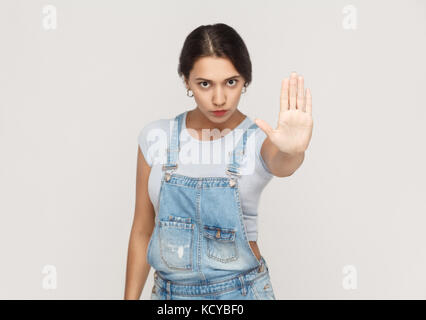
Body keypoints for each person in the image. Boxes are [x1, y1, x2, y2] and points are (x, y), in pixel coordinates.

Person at [124, 23, 313, 300]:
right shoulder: (156, 137)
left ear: (245, 80)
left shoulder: (258, 140)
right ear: (186, 81)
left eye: (231, 82)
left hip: (241, 294)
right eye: (205, 84)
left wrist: (294, 150)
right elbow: (142, 230)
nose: (219, 98)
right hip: (170, 297)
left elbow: (282, 162)